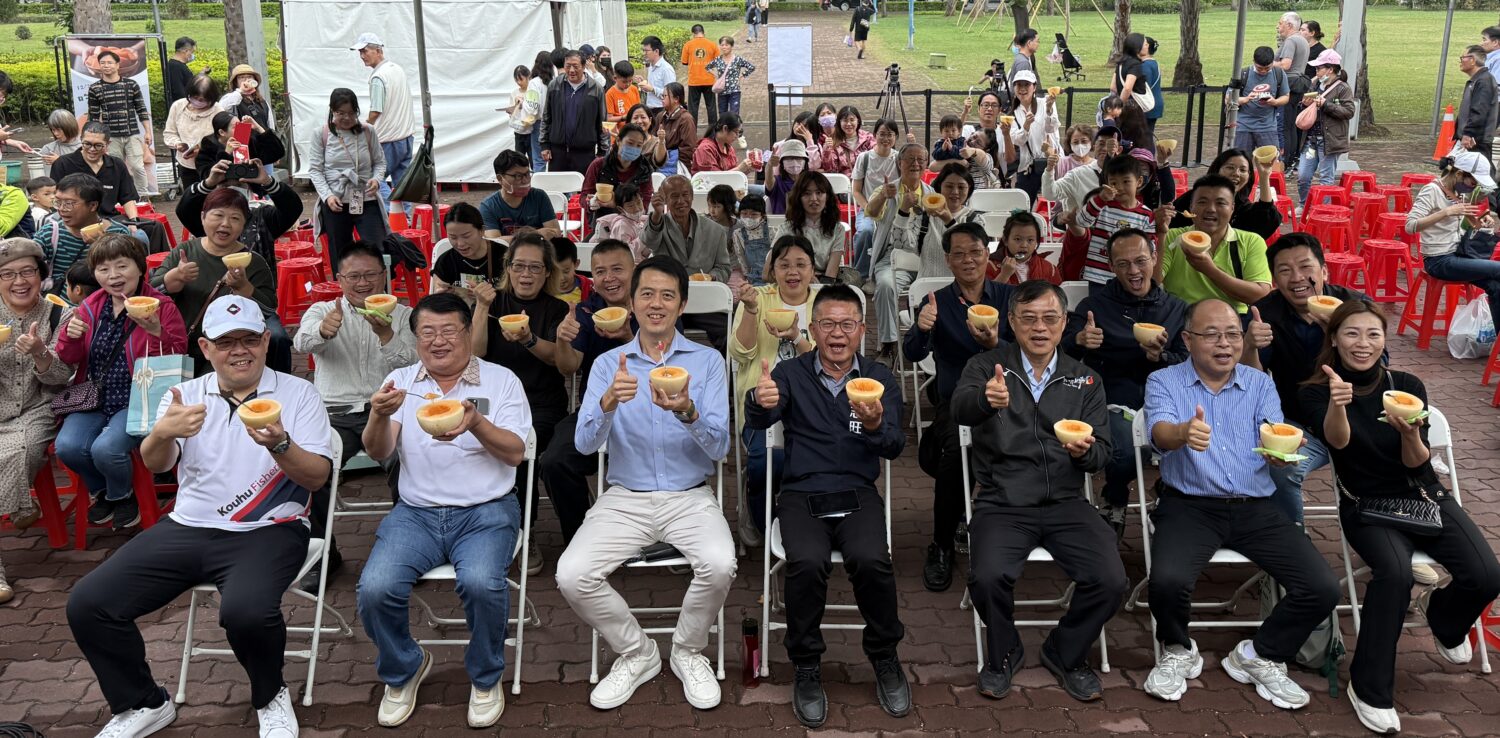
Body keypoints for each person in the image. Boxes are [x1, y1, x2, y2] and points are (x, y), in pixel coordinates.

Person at [67, 293, 332, 738]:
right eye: (226, 342)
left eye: (249, 339)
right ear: (206, 349)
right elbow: (155, 463)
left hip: (268, 528)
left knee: (246, 612)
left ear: (267, 341)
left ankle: (270, 695)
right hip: (188, 526)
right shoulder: (185, 393)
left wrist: (279, 444)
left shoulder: (298, 393)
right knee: (89, 603)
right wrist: (161, 432)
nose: (239, 350)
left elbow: (316, 479)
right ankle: (143, 703)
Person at [1298, 301, 1500, 735]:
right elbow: (1339, 443)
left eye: (1373, 334)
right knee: (1393, 575)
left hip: (1422, 492)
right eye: (1352, 333)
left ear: (1384, 340)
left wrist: (1410, 434)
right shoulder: (1316, 390)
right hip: (1365, 504)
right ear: (1333, 338)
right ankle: (1369, 689)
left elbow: (1417, 462)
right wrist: (1338, 403)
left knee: (1487, 575)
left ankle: (1443, 616)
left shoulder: (1407, 385)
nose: (1363, 343)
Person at [1140, 297, 1340, 708]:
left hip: (1256, 506)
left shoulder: (1259, 382)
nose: (1224, 343)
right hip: (1189, 504)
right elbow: (1159, 432)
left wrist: (1280, 448)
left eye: (1232, 333)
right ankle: (1178, 648)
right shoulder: (1165, 381)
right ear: (1188, 339)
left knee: (1321, 587)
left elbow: (1272, 428)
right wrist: (1183, 433)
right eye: (1211, 334)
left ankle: (1260, 653)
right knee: (1167, 582)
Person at [558, 255, 735, 711]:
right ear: (632, 304)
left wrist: (688, 411)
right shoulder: (609, 365)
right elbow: (583, 445)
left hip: (689, 496)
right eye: (647, 294)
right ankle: (637, 652)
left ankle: (687, 650)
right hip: (625, 497)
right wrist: (607, 402)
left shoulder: (708, 361)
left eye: (667, 295)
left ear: (683, 305)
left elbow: (719, 450)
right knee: (573, 575)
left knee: (719, 565)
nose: (656, 304)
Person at [356, 292, 530, 729]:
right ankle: (405, 667)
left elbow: (516, 453)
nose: (438, 341)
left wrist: (476, 423)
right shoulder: (402, 381)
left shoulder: (501, 380)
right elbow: (379, 450)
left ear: (468, 333)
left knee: (481, 584)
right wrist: (377, 416)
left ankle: (486, 675)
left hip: (486, 510)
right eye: (426, 333)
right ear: (415, 339)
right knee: (375, 588)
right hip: (417, 513)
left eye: (449, 330)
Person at [745, 284, 910, 727]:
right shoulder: (791, 373)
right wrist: (757, 401)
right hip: (801, 493)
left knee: (872, 559)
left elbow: (894, 445)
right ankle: (805, 664)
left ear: (861, 329)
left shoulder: (879, 379)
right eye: (829, 324)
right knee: (807, 561)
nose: (838, 334)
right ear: (813, 329)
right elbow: (760, 417)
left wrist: (875, 424)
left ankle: (884, 656)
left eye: (848, 324)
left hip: (857, 492)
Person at [952, 279, 1124, 703]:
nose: (1040, 327)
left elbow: (1103, 452)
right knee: (988, 576)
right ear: (1011, 321)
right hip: (1002, 501)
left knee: (1110, 579)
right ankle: (1004, 651)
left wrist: (1085, 454)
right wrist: (983, 401)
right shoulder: (987, 367)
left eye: (1050, 318)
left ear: (1065, 323)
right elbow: (958, 408)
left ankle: (1065, 652)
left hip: (1067, 501)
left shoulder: (1085, 380)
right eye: (1028, 318)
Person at [292, 242, 417, 588]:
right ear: (340, 279)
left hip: (389, 408)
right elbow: (300, 343)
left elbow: (414, 363)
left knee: (410, 464)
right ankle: (323, 555)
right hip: (335, 411)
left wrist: (386, 334)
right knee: (313, 469)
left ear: (384, 276)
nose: (363, 283)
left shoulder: (404, 315)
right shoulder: (322, 310)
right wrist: (323, 331)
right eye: (354, 276)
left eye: (371, 275)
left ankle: (408, 549)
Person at [902, 222, 1013, 591]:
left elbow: (1030, 353)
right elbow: (913, 353)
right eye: (960, 254)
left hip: (1009, 399)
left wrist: (996, 343)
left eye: (976, 252)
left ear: (988, 254)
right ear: (947, 260)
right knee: (954, 450)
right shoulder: (937, 302)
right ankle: (941, 543)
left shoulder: (1010, 299)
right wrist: (920, 328)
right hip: (958, 402)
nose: (969, 260)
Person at [54, 234, 188, 529]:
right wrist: (69, 335)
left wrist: (155, 331)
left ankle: (122, 495)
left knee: (106, 448)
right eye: (103, 269)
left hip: (139, 397)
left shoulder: (161, 306)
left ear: (140, 268)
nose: (113, 276)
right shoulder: (91, 306)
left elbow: (177, 354)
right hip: (97, 396)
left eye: (122, 266)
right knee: (67, 446)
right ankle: (105, 492)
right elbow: (69, 356)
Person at [1062, 228, 1187, 536]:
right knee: (1130, 450)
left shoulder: (1176, 308)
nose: (1134, 271)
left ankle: (1170, 492)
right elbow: (1061, 348)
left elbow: (1189, 359)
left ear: (1154, 259)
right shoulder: (1095, 307)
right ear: (1111, 266)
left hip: (1167, 401)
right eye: (1123, 264)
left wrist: (1162, 358)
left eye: (1141, 261)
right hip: (1111, 398)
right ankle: (1115, 497)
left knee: (1199, 442)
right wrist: (1079, 340)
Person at [1241, 233, 1372, 526]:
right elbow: (1252, 382)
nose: (1297, 278)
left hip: (1357, 420)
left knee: (1393, 452)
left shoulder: (1356, 307)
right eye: (1285, 270)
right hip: (1301, 426)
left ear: (1324, 271)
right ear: (1274, 279)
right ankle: (1292, 551)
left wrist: (1339, 337)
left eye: (1305, 267)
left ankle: (1397, 532)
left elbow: (1379, 369)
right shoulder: (1266, 313)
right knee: (1281, 468)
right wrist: (1249, 346)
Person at [472, 233, 572, 574]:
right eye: (519, 266)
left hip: (541, 403)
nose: (526, 274)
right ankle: (476, 528)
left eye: (535, 267)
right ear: (508, 268)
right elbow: (475, 353)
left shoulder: (557, 309)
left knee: (521, 452)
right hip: (495, 402)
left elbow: (560, 363)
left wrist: (529, 339)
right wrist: (482, 307)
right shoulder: (492, 302)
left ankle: (522, 534)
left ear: (547, 273)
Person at [543, 239, 638, 542]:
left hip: (650, 410)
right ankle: (582, 536)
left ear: (634, 271)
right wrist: (562, 339)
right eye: (600, 272)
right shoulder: (586, 310)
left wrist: (628, 338)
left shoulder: (653, 305)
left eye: (617, 269)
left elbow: (668, 362)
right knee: (555, 460)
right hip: (596, 410)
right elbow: (569, 367)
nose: (609, 278)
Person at [0, 238, 76, 603]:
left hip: (38, 407)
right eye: (8, 274)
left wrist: (41, 353)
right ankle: (21, 505)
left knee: (22, 447)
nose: (19, 281)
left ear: (41, 275)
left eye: (28, 271)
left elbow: (63, 376)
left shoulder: (61, 315)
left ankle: (19, 506)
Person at [730, 235, 818, 540]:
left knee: (817, 457)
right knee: (769, 459)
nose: (792, 272)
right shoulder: (758, 298)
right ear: (773, 270)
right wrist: (751, 310)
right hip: (763, 403)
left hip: (813, 405)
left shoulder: (824, 304)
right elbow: (740, 353)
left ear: (812, 268)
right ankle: (765, 521)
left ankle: (808, 519)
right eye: (784, 265)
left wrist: (797, 336)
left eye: (800, 264)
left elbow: (834, 365)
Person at [152, 187, 290, 375]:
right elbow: (150, 294)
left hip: (229, 349)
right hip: (184, 346)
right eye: (218, 215)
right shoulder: (185, 252)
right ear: (203, 217)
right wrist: (173, 278)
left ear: (243, 225)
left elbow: (269, 309)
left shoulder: (252, 261)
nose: (225, 224)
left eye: (235, 218)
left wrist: (245, 288)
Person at [1157, 174, 1273, 314]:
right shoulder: (1173, 236)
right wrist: (1161, 233)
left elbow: (1261, 296)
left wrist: (1210, 270)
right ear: (1191, 207)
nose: (1211, 209)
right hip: (1181, 318)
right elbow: (1152, 283)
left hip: (1232, 322)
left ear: (1232, 208)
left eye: (1220, 203)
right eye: (1202, 202)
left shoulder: (1252, 241)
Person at [1408, 149, 1500, 323]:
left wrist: (1482, 218)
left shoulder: (1459, 192)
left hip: (1458, 253)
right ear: (1458, 174)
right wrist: (1446, 212)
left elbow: (1464, 219)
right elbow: (1410, 226)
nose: (1473, 188)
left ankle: (1497, 345)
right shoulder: (1432, 190)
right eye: (1473, 183)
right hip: (1438, 260)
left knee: (1496, 287)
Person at [308, 88, 389, 272]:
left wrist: (376, 179)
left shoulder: (368, 131)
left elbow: (380, 162)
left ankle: (378, 289)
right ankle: (345, 293)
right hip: (335, 201)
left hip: (365, 197)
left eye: (351, 113)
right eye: (340, 113)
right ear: (332, 111)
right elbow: (315, 170)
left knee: (375, 247)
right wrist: (327, 196)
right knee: (340, 251)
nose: (346, 118)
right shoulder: (321, 134)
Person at [176, 157, 303, 271]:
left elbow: (292, 208)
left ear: (249, 191)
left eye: (239, 184)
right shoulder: (209, 220)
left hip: (256, 291)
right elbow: (184, 210)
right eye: (224, 185)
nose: (226, 224)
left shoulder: (262, 218)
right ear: (203, 217)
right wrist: (208, 183)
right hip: (214, 290)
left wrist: (268, 182)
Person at [867, 144, 933, 365]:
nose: (915, 164)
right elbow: (872, 212)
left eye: (920, 160)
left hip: (926, 258)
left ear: (926, 164)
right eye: (910, 159)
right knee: (885, 285)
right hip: (892, 257)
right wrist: (883, 197)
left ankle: (933, 345)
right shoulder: (888, 189)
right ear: (899, 163)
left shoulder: (932, 194)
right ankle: (888, 345)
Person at [34, 174, 130, 292]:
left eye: (69, 203)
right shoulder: (50, 233)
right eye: (57, 202)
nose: (62, 209)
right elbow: (28, 259)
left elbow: (127, 274)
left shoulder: (119, 233)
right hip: (61, 304)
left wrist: (101, 247)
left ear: (93, 205)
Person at [353, 34, 416, 211]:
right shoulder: (397, 69)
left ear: (378, 50)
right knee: (402, 183)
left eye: (365, 51)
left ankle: (392, 213)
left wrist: (362, 127)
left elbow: (376, 110)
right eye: (360, 52)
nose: (362, 56)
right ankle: (407, 221)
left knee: (370, 178)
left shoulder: (378, 77)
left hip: (387, 139)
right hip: (406, 136)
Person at [1075, 153, 1158, 287]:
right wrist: (1100, 199)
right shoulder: (1102, 205)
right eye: (1113, 183)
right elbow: (1081, 221)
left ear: (1139, 182)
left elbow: (1151, 245)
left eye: (1126, 181)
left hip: (1131, 276)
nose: (1119, 187)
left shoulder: (1146, 215)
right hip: (1098, 275)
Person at [1168, 148, 1282, 241]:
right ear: (1217, 169)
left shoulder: (1243, 209)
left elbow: (1266, 220)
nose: (1236, 173)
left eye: (1242, 170)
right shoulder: (1193, 198)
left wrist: (1264, 175)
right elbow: (1170, 226)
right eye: (1230, 167)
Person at [84, 49, 152, 197]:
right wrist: (96, 138)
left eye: (109, 63)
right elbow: (94, 115)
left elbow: (141, 109)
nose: (106, 66)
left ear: (117, 65)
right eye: (102, 63)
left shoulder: (131, 85)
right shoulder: (95, 88)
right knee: (115, 168)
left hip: (132, 133)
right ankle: (119, 197)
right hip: (111, 137)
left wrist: (147, 131)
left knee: (137, 167)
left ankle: (143, 197)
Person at [643, 175, 733, 282]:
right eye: (674, 196)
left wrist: (710, 278)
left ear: (692, 196)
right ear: (665, 199)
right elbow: (649, 241)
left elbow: (724, 267)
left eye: (685, 195)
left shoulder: (716, 230)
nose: (681, 201)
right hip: (668, 290)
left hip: (705, 291)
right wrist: (657, 213)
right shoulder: (657, 224)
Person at [1296, 50, 1354, 210]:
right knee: (1303, 175)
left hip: (1329, 143)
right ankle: (1304, 206)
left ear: (1330, 69)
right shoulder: (1315, 85)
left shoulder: (1343, 88)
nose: (1316, 71)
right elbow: (1306, 107)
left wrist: (1326, 105)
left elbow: (1349, 112)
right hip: (1310, 141)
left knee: (1326, 178)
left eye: (1319, 68)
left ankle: (1324, 210)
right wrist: (1305, 104)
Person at [49, 122, 141, 221]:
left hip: (110, 218)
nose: (92, 149)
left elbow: (127, 198)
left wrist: (134, 222)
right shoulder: (62, 163)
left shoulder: (117, 165)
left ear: (108, 144)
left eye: (98, 145)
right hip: (76, 219)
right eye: (87, 144)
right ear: (81, 140)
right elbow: (56, 197)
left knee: (152, 227)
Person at [541, 50, 610, 176]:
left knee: (584, 190)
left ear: (584, 67)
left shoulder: (596, 89)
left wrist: (602, 152)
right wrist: (544, 145)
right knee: (557, 189)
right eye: (568, 66)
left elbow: (603, 122)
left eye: (575, 66)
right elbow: (546, 117)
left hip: (584, 152)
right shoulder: (554, 85)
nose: (571, 70)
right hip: (557, 151)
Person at [850, 118, 903, 278]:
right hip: (869, 208)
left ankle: (887, 273)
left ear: (896, 137)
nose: (886, 139)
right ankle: (862, 275)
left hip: (893, 209)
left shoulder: (900, 159)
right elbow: (856, 191)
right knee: (866, 231)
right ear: (874, 135)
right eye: (882, 134)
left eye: (890, 135)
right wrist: (868, 208)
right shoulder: (864, 158)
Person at [774, 171, 847, 282]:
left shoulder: (838, 229)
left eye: (819, 192)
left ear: (827, 197)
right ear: (799, 198)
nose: (814, 198)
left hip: (823, 284)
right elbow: (769, 271)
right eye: (807, 194)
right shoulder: (786, 229)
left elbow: (830, 276)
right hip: (792, 281)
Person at [583, 124, 657, 225]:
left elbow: (645, 204)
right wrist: (592, 203)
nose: (634, 148)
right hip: (603, 222)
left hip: (633, 225)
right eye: (630, 143)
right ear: (618, 141)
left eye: (639, 145)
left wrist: (616, 204)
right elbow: (584, 197)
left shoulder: (644, 169)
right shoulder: (598, 165)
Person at [481, 150, 562, 240]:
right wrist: (536, 235)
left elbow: (555, 232)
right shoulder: (489, 206)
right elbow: (495, 243)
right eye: (518, 176)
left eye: (527, 174)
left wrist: (509, 239)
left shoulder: (539, 196)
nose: (525, 180)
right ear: (500, 178)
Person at [1008, 71, 1060, 205]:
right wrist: (1026, 125)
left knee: (1053, 205)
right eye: (1019, 85)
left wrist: (1048, 110)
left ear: (1034, 87)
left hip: (1051, 162)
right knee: (1022, 206)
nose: (1023, 89)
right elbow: (1017, 140)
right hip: (1028, 167)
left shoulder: (1046, 102)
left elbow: (1052, 128)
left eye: (1027, 84)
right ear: (1014, 88)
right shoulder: (1013, 113)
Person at [162, 74, 222, 189]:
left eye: (203, 100)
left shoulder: (218, 110)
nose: (198, 102)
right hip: (186, 165)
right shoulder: (178, 106)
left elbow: (224, 137)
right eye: (195, 97)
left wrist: (203, 149)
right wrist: (178, 144)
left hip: (211, 165)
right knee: (191, 198)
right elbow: (170, 132)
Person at [1233, 47, 1291, 155]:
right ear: (1254, 62)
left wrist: (1275, 102)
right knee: (1241, 161)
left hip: (1267, 126)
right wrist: (1244, 99)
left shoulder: (1279, 73)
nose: (1263, 71)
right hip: (1243, 126)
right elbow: (1228, 98)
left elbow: (1286, 96)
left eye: (1267, 68)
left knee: (1271, 162)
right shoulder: (1243, 73)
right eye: (1260, 69)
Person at [1275, 12, 1312, 170]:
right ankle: (1291, 159)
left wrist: (1265, 64)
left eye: (1280, 23)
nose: (1278, 27)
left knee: (1283, 125)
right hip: (1298, 85)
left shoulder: (1291, 40)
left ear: (1289, 25)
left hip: (1288, 85)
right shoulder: (1302, 41)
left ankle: (1284, 160)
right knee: (1290, 126)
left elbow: (1286, 65)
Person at [1110, 33, 1155, 151]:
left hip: (1123, 112)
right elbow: (1128, 88)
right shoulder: (1135, 64)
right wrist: (1121, 105)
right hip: (1134, 111)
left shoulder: (1120, 64)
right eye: (1145, 44)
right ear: (1137, 47)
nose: (1147, 46)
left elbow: (1113, 87)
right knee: (1140, 142)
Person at [988, 212, 1059, 286]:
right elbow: (985, 296)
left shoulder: (1050, 270)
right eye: (1017, 239)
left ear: (1037, 241)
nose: (1024, 245)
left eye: (1030, 240)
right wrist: (1004, 275)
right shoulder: (989, 266)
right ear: (1005, 240)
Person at [1458, 45, 1497, 164]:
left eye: (1462, 58)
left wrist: (1469, 133)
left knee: (1480, 173)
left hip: (1477, 139)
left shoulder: (1483, 81)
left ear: (1472, 60)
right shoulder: (1478, 80)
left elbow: (1479, 111)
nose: (1460, 61)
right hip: (1474, 138)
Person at [651, 84, 697, 176]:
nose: (662, 99)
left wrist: (671, 158)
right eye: (662, 96)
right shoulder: (661, 116)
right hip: (659, 162)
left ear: (676, 99)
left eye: (665, 96)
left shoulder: (686, 119)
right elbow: (653, 139)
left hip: (677, 166)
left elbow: (689, 148)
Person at [595, 183, 649, 259]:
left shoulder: (637, 220)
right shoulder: (621, 226)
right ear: (621, 209)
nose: (637, 208)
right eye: (630, 206)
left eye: (639, 202)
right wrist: (645, 236)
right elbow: (625, 252)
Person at [681, 25, 720, 128]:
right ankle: (713, 131)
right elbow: (718, 62)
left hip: (694, 81)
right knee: (711, 107)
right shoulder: (712, 44)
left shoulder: (688, 45)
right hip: (709, 80)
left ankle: (692, 132)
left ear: (693, 33)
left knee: (693, 108)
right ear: (703, 32)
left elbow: (684, 62)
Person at [706, 37, 755, 117]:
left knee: (734, 113)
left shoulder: (737, 59)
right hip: (721, 90)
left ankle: (735, 129)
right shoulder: (718, 59)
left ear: (731, 46)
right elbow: (707, 67)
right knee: (722, 114)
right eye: (722, 45)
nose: (724, 47)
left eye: (727, 45)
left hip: (734, 91)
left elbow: (751, 67)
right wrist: (716, 75)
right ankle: (724, 129)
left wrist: (741, 76)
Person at [821, 106, 874, 178]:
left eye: (852, 120)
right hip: (846, 185)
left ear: (858, 121)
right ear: (839, 122)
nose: (848, 124)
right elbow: (830, 170)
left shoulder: (868, 138)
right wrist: (827, 149)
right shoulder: (834, 142)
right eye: (845, 120)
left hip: (866, 183)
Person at [766, 136, 813, 215]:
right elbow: (769, 182)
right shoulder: (777, 182)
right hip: (780, 224)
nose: (794, 162)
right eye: (789, 158)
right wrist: (770, 165)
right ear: (782, 162)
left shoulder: (811, 182)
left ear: (805, 162)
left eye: (798, 158)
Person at [528, 51, 556, 172]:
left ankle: (539, 189)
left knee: (539, 160)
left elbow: (532, 108)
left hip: (539, 123)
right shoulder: (556, 81)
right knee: (556, 158)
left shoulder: (534, 83)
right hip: (555, 123)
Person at [509, 65, 542, 163]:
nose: (519, 83)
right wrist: (515, 106)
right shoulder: (514, 93)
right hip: (518, 131)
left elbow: (536, 111)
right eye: (516, 80)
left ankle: (534, 177)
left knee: (534, 160)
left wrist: (524, 104)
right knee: (518, 161)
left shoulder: (533, 91)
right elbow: (511, 113)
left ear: (529, 77)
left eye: (521, 79)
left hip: (531, 131)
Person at [638, 36, 677, 117]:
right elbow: (653, 86)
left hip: (661, 109)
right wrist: (644, 84)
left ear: (656, 51)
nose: (644, 53)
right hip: (650, 108)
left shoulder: (666, 69)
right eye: (643, 50)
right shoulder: (651, 66)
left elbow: (671, 94)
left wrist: (652, 89)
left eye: (646, 51)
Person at [604, 61, 642, 133]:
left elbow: (639, 108)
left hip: (634, 130)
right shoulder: (610, 94)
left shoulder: (634, 89)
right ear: (615, 78)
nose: (627, 84)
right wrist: (623, 117)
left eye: (630, 81)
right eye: (624, 82)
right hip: (620, 133)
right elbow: (608, 119)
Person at [1141, 37, 1165, 132]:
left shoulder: (1145, 65)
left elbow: (1144, 87)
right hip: (1154, 103)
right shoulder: (1153, 63)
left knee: (1144, 137)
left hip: (1148, 106)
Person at [165, 37, 197, 107]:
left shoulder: (181, 65)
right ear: (186, 51)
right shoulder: (175, 66)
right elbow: (178, 91)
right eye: (192, 52)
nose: (192, 55)